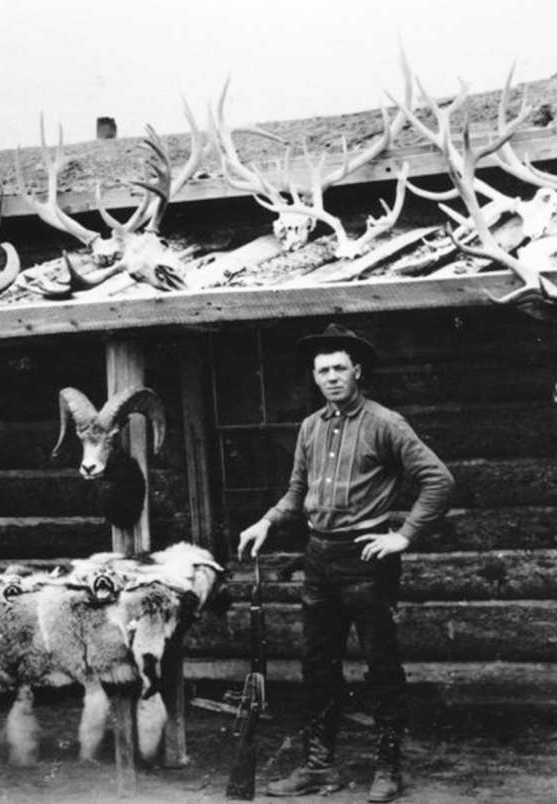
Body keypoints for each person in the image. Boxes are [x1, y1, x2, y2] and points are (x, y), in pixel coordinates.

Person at [237, 323, 454, 802]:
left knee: (381, 667)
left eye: (340, 368)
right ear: (314, 378)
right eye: (323, 370)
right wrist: (266, 522)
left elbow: (438, 480)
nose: (332, 377)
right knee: (317, 666)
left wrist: (403, 536)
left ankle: (388, 768)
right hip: (319, 558)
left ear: (357, 371)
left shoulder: (385, 423)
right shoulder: (311, 427)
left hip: (365, 560)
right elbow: (299, 491)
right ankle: (319, 767)